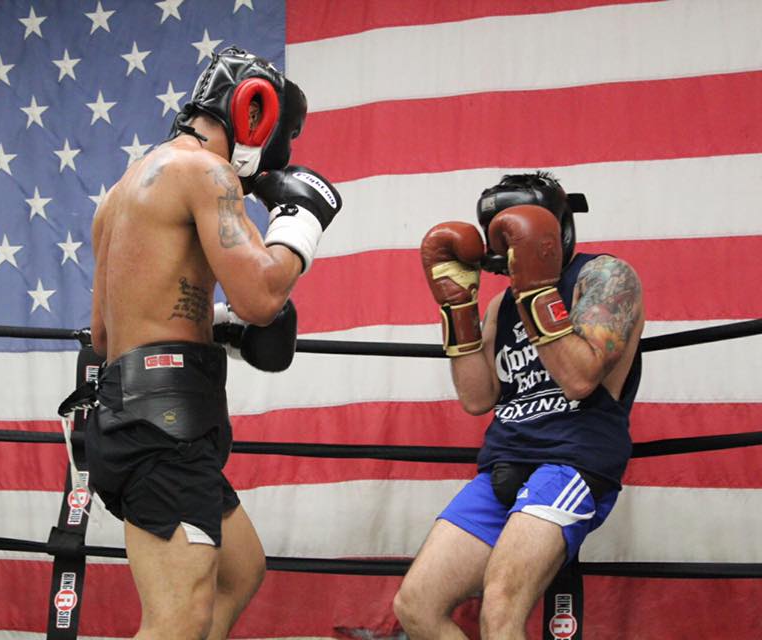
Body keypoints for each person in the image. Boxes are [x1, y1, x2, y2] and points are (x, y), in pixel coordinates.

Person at [85, 46, 342, 639]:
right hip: (165, 428)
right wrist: (299, 224)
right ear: (255, 114)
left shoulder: (121, 191)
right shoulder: (208, 172)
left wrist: (211, 322)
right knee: (176, 621)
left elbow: (104, 336)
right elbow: (262, 296)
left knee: (239, 571)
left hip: (137, 415)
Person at [394, 172, 644, 639]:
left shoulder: (605, 277)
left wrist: (536, 291)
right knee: (416, 605)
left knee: (501, 606)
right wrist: (458, 310)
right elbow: (476, 398)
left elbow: (580, 378)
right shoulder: (499, 306)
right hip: (504, 465)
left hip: (570, 465)